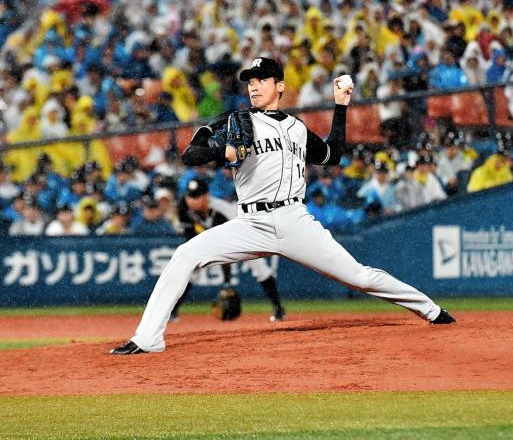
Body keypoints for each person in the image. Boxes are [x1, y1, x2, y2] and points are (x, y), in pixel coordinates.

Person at [110, 57, 455, 355]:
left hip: (294, 220)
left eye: (262, 80)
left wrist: (340, 106)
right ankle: (148, 337)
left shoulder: (297, 128)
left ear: (280, 86)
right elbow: (191, 155)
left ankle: (431, 310)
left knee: (359, 276)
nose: (254, 86)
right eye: (250, 81)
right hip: (250, 223)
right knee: (186, 254)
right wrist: (215, 143)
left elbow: (332, 155)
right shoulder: (238, 121)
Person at [170, 177, 286, 322]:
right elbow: (192, 239)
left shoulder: (223, 211)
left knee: (260, 268)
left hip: (245, 233)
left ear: (207, 196)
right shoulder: (183, 208)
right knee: (190, 269)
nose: (192, 200)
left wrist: (227, 281)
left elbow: (228, 247)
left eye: (196, 196)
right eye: (190, 196)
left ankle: (278, 308)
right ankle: (172, 311)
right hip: (211, 237)